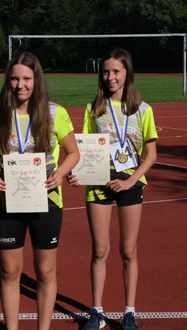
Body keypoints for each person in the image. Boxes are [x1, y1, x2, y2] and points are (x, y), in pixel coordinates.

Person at [0, 52, 79, 330]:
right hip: (7, 203)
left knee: (45, 271)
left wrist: (60, 173)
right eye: (14, 78)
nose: (20, 84)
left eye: (26, 78)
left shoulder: (54, 113)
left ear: (36, 79)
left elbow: (73, 153)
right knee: (9, 271)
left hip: (46, 202)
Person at [67, 48, 158, 330]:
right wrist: (76, 173)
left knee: (129, 251)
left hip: (130, 184)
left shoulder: (143, 109)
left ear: (127, 73)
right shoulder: (94, 108)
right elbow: (82, 150)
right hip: (98, 184)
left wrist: (131, 181)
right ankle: (97, 311)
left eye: (116, 71)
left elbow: (152, 154)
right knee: (100, 250)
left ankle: (129, 311)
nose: (110, 77)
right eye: (106, 72)